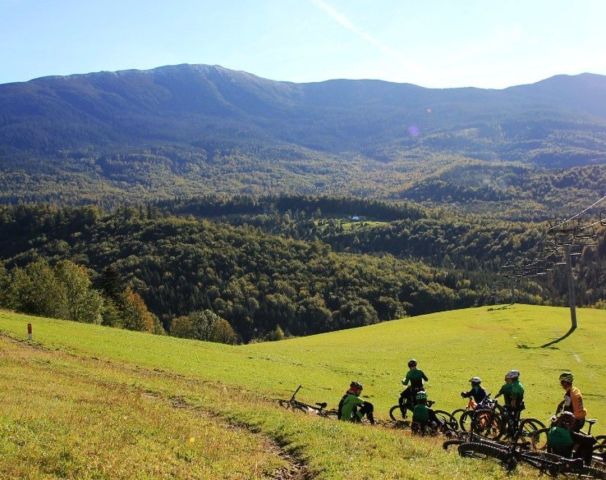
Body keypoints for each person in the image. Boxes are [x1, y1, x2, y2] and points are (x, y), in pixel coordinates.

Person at [495, 370, 524, 435]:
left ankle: (511, 432)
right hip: (518, 404)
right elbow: (501, 392)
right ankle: (510, 431)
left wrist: (513, 403)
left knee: (509, 418)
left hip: (514, 405)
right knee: (511, 418)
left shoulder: (515, 386)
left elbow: (514, 396)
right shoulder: (516, 384)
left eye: (508, 378)